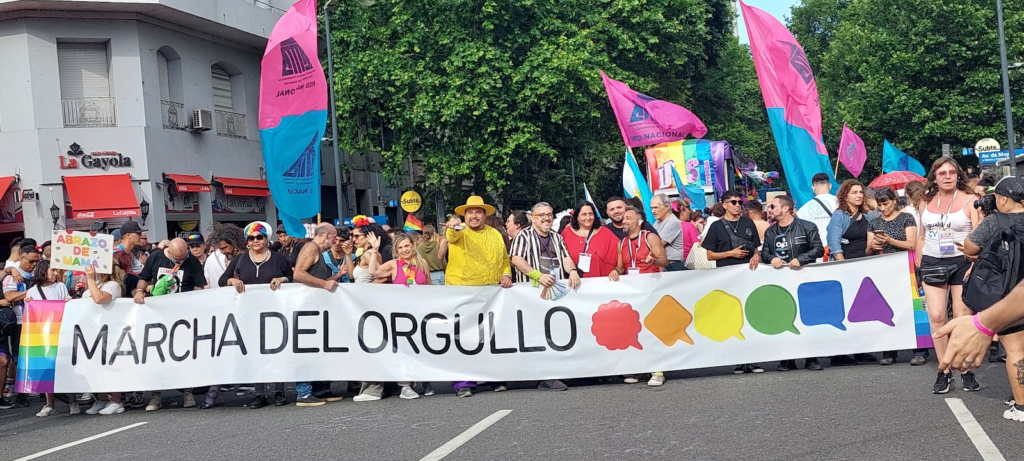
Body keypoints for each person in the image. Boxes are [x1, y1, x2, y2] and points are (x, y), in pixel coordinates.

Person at [916, 157, 982, 394]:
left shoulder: (971, 201)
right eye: (942, 173)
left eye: (951, 172)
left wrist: (975, 263)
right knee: (936, 315)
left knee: (962, 317)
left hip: (962, 261)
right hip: (933, 261)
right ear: (934, 176)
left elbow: (978, 236)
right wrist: (918, 264)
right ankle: (943, 370)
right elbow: (921, 236)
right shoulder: (925, 201)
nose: (946, 176)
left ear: (958, 175)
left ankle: (965, 369)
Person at [961, 177, 1024, 416]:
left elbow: (969, 248)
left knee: (1016, 349)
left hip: (1007, 295)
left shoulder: (995, 221)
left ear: (1004, 198)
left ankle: (1021, 406)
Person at [214, 222, 292, 409]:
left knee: (276, 352)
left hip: (275, 314)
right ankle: (260, 393)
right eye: (252, 238)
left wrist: (282, 279)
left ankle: (279, 390)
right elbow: (221, 280)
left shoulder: (278, 259)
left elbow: (293, 277)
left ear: (266, 239)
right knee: (255, 353)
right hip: (248, 315)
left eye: (260, 237)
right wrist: (232, 279)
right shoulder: (239, 261)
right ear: (247, 242)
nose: (256, 241)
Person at [444, 195, 513, 397]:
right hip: (462, 293)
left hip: (490, 295)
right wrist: (452, 226)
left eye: (478, 212)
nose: (474, 216)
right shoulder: (460, 231)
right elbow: (452, 237)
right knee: (463, 337)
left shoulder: (495, 234)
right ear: (464, 215)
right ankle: (464, 381)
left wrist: (506, 273)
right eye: (470, 212)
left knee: (490, 336)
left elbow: (504, 260)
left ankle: (493, 377)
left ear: (484, 215)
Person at [509, 202, 580, 392]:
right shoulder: (523, 236)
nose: (547, 218)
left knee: (557, 332)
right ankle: (545, 376)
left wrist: (572, 270)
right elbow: (516, 259)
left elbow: (565, 257)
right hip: (533, 293)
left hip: (556, 292)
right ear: (533, 218)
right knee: (538, 334)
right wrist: (537, 275)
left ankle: (558, 371)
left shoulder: (557, 237)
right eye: (542, 215)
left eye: (549, 214)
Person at [356, 232, 432, 402]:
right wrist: (375, 251)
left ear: (413, 246)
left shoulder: (423, 263)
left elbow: (429, 288)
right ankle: (405, 386)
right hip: (401, 314)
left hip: (419, 312)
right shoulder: (393, 265)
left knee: (419, 347)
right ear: (396, 251)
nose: (405, 250)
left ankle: (423, 381)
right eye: (400, 247)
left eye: (407, 246)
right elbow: (374, 272)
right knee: (404, 348)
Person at [132, 238, 206, 411]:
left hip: (183, 317)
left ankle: (188, 391)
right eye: (176, 260)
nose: (180, 262)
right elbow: (143, 278)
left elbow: (199, 285)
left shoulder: (192, 261)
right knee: (156, 355)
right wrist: (140, 291)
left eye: (182, 259)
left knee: (184, 355)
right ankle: (156, 396)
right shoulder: (156, 257)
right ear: (169, 252)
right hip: (158, 316)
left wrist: (195, 299)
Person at [761, 195, 825, 372]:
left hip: (804, 278)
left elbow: (818, 249)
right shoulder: (770, 231)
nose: (769, 210)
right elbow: (764, 253)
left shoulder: (807, 227)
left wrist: (801, 259)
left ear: (785, 208)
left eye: (773, 206)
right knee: (783, 317)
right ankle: (787, 359)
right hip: (780, 281)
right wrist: (771, 258)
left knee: (807, 316)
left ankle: (811, 358)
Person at [702, 190, 762, 374]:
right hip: (727, 275)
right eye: (734, 202)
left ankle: (753, 359)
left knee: (750, 314)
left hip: (748, 274)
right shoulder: (716, 226)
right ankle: (738, 359)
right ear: (725, 204)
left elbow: (756, 246)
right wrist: (730, 253)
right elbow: (709, 255)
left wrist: (756, 256)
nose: (738, 205)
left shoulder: (748, 223)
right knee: (732, 316)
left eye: (740, 202)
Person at [607, 206, 669, 386]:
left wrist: (654, 260)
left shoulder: (650, 237)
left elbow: (664, 260)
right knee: (635, 329)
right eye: (623, 218)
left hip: (651, 289)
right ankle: (641, 368)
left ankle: (658, 369)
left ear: (638, 221)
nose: (624, 221)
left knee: (653, 328)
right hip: (632, 292)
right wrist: (615, 271)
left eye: (628, 218)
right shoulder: (622, 243)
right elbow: (621, 266)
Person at [825, 179, 879, 366]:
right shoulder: (839, 216)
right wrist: (843, 267)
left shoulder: (868, 216)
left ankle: (860, 350)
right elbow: (834, 243)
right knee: (843, 309)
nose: (858, 195)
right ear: (845, 195)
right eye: (854, 192)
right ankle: (840, 353)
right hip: (845, 266)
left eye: (860, 192)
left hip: (864, 265)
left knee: (861, 309)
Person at [864, 187, 920, 365]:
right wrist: (873, 245)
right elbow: (867, 251)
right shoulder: (874, 223)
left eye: (885, 204)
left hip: (906, 267)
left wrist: (890, 240)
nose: (882, 208)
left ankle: (920, 349)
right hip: (885, 269)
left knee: (912, 306)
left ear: (894, 201)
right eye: (879, 205)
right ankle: (889, 351)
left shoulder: (906, 218)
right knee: (885, 308)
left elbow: (912, 244)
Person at [290, 223, 343, 407]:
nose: (335, 241)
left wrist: (334, 278)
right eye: (334, 237)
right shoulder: (310, 248)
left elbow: (318, 279)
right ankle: (303, 393)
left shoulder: (318, 252)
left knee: (320, 348)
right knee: (307, 350)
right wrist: (323, 284)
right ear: (327, 235)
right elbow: (298, 274)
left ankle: (319, 390)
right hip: (306, 308)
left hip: (318, 307)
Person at [24, 259, 71, 417]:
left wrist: (67, 302)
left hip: (60, 331)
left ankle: (73, 400)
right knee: (46, 366)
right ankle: (49, 403)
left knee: (64, 365)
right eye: (52, 270)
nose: (55, 274)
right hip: (42, 334)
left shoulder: (61, 287)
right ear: (43, 271)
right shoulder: (32, 291)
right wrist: (28, 304)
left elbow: (68, 304)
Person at [81, 262, 129, 415]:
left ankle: (116, 401)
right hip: (91, 329)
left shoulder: (112, 285)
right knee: (94, 367)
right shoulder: (95, 284)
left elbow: (100, 299)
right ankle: (101, 399)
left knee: (109, 366)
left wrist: (90, 279)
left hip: (108, 330)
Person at [0, 243, 40, 409]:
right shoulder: (13, 276)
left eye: (37, 261)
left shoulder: (36, 274)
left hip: (37, 320)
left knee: (33, 355)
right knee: (18, 357)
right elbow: (9, 296)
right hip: (19, 321)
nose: (34, 265)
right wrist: (32, 291)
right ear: (21, 257)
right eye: (31, 261)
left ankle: (33, 388)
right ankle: (19, 393)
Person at [561, 201, 620, 278]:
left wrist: (617, 270)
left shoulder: (605, 232)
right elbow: (561, 256)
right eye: (584, 214)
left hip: (601, 283)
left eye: (590, 214)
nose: (588, 217)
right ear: (577, 217)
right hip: (575, 283)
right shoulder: (567, 233)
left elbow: (620, 252)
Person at [796, 173, 838, 253]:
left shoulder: (803, 210)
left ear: (813, 187)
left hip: (816, 252)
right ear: (830, 186)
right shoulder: (842, 203)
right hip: (839, 250)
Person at [650, 194, 685, 272]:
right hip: (663, 264)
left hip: (672, 265)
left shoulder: (672, 222)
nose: (653, 211)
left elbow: (658, 244)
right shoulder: (657, 222)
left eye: (656, 207)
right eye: (651, 208)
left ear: (666, 207)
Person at [205, 224, 246, 289]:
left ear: (234, 243)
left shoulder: (246, 257)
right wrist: (231, 281)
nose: (222, 252)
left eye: (225, 248)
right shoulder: (232, 259)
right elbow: (222, 280)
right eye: (220, 249)